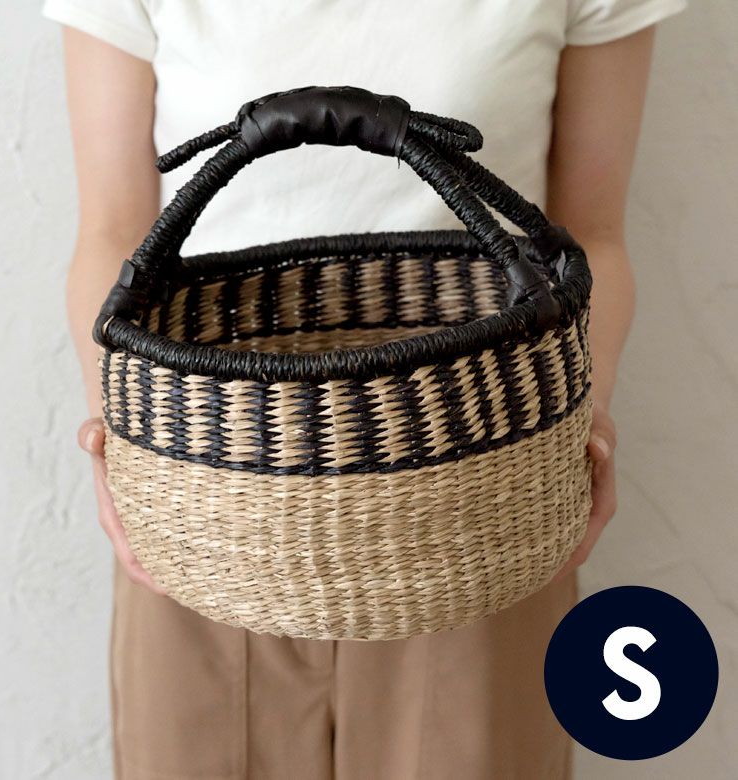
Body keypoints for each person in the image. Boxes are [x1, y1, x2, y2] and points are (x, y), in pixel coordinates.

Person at [43, 1, 686, 777]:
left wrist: (587, 419)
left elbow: (593, 235)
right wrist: (119, 441)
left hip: (477, 499)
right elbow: (113, 237)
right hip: (207, 499)